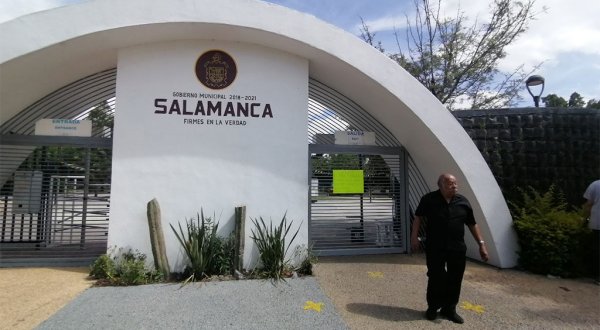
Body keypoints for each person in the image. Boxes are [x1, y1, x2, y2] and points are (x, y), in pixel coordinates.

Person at [410, 173, 489, 324]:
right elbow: (418, 217)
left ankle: (449, 309)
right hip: (435, 247)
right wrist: (414, 237)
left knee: (455, 279)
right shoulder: (429, 199)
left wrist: (482, 244)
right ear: (440, 186)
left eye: (455, 183)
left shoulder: (463, 201)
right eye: (450, 184)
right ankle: (433, 307)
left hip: (457, 248)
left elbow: (472, 224)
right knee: (436, 277)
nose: (454, 186)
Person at [583, 179, 600, 283]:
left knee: (598, 249)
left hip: (597, 221)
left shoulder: (595, 184)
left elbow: (588, 204)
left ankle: (598, 276)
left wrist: (585, 218)